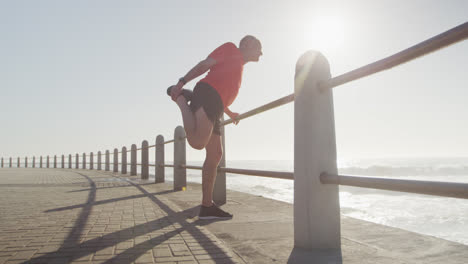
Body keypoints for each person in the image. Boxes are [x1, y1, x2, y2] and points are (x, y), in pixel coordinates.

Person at [167, 35, 263, 219]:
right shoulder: (230, 49)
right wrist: (181, 82)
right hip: (207, 95)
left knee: (215, 154)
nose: (261, 53)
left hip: (216, 104)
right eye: (259, 47)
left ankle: (207, 206)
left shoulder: (239, 66)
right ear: (248, 44)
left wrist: (229, 113)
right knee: (197, 143)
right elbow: (204, 65)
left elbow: (223, 90)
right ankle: (181, 100)